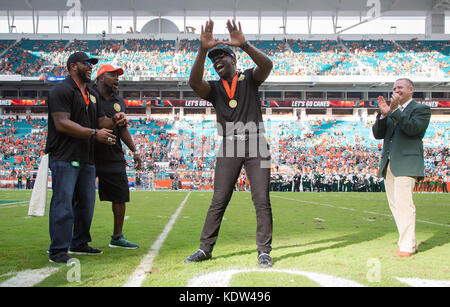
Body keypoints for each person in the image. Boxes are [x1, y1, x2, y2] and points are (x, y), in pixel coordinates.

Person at [185, 19, 274, 268]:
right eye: (213, 60)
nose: (216, 62)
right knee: (219, 199)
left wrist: (244, 44)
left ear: (234, 60)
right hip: (230, 144)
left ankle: (264, 251)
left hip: (256, 142)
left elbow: (268, 65)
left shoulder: (249, 78)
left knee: (261, 199)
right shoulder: (214, 88)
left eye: (221, 57)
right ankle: (205, 249)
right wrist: (203, 50)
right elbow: (193, 83)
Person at [45, 51, 126, 264]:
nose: (90, 66)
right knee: (63, 204)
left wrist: (116, 119)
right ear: (72, 66)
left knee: (86, 205)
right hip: (64, 155)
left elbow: (100, 122)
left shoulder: (90, 93)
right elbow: (62, 123)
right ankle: (58, 250)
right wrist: (93, 134)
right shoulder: (61, 90)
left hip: (87, 157)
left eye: (92, 64)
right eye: (86, 63)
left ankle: (79, 243)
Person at [372, 78, 431, 257]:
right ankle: (405, 242)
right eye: (394, 87)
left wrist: (395, 110)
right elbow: (377, 134)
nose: (396, 90)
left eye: (400, 87)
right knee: (395, 205)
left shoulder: (421, 109)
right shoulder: (391, 111)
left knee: (404, 204)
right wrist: (383, 115)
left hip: (407, 163)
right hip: (389, 163)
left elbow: (412, 129)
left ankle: (407, 246)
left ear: (411, 90)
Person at [93, 64, 142, 250]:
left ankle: (117, 236)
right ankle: (75, 237)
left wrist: (135, 151)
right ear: (100, 77)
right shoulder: (88, 96)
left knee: (120, 196)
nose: (117, 78)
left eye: (118, 75)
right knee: (80, 197)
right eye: (112, 75)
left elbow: (122, 129)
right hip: (90, 152)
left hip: (113, 154)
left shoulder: (119, 101)